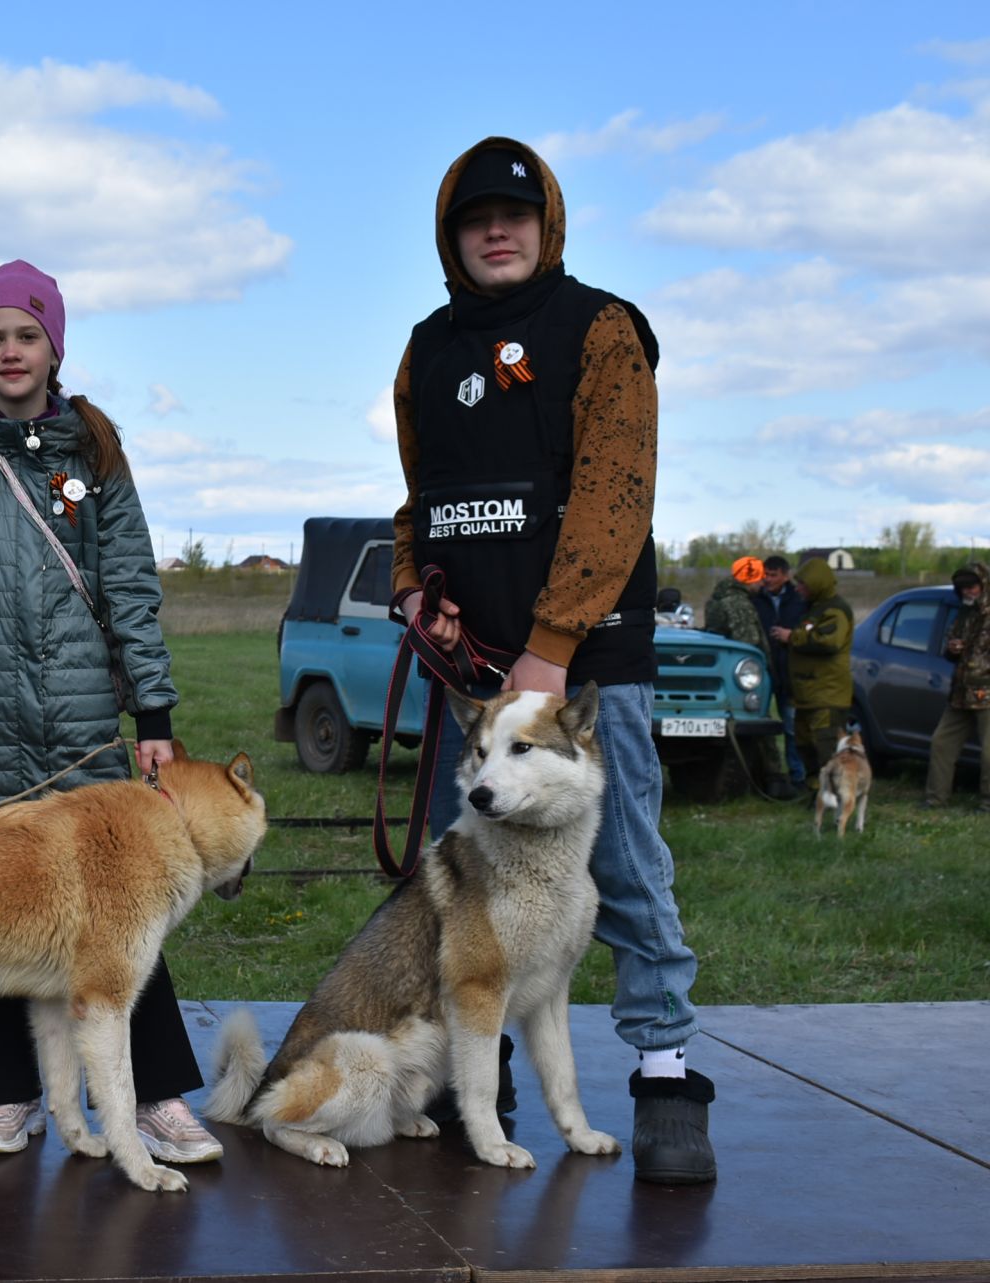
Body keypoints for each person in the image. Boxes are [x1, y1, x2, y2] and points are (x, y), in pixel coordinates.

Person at [388, 139, 717, 1184]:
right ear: (452, 233)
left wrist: (551, 650)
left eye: (515, 215)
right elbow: (422, 494)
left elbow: (618, 491)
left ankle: (664, 1071)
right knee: (474, 876)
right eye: (477, 216)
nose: (498, 230)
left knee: (618, 863)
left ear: (548, 225)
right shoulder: (428, 349)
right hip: (472, 677)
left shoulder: (600, 329)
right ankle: (481, 1080)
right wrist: (411, 586)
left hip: (579, 676)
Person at [0, 260, 221, 1166]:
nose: (9, 351)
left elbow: (131, 590)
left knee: (120, 908)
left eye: (25, 335)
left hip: (80, 721)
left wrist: (153, 717)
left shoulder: (96, 451)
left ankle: (156, 1094)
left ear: (54, 345)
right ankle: (8, 1092)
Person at [704, 555, 795, 798]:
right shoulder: (739, 604)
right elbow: (749, 643)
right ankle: (774, 781)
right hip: (742, 678)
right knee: (759, 722)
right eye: (760, 578)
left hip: (723, 678)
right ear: (750, 579)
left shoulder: (718, 599)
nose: (763, 583)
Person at [770, 557, 852, 793]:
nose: (798, 589)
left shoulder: (835, 610)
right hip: (808, 694)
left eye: (803, 584)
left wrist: (791, 637)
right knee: (805, 745)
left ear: (816, 584)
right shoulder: (814, 609)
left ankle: (835, 796)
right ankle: (816, 793)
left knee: (826, 747)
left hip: (827, 695)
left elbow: (829, 642)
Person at [923, 563, 989, 812]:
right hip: (961, 692)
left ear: (983, 585)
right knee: (941, 743)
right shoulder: (963, 613)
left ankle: (988, 804)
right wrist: (952, 649)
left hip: (987, 693)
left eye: (971, 587)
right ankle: (935, 799)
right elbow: (948, 646)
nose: (967, 592)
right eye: (962, 588)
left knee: (989, 754)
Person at [753, 554, 808, 788]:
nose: (767, 579)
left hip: (789, 672)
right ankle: (765, 775)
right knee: (759, 724)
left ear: (785, 576)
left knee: (791, 726)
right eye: (765, 574)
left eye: (773, 575)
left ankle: (798, 776)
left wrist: (791, 637)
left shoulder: (799, 600)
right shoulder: (756, 600)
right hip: (762, 673)